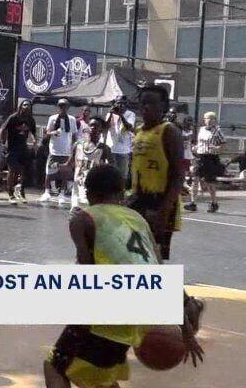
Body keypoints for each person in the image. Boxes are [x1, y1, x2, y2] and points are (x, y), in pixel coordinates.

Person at [43, 164, 204, 388]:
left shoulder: (83, 218)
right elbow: (159, 274)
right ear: (122, 194)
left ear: (88, 194)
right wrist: (186, 329)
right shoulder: (139, 221)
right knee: (100, 378)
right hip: (138, 313)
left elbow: (86, 273)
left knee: (55, 366)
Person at [128, 84, 185, 261]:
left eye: (151, 103)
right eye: (142, 103)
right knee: (135, 254)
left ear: (164, 107)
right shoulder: (138, 131)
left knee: (154, 257)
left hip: (160, 201)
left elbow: (178, 175)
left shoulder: (169, 131)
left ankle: (171, 289)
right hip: (138, 200)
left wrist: (164, 210)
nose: (146, 107)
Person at [39, 98, 78, 207]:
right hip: (54, 150)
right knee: (50, 171)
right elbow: (46, 133)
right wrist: (53, 133)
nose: (63, 108)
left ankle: (62, 193)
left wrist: (74, 149)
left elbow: (74, 135)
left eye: (65, 106)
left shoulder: (71, 119)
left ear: (68, 107)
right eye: (61, 106)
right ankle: (47, 192)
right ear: (58, 107)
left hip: (66, 151)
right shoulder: (52, 118)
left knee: (65, 173)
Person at [69, 117, 111, 209]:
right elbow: (69, 164)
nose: (92, 128)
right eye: (91, 125)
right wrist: (57, 166)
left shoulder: (104, 149)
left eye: (96, 126)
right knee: (75, 218)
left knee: (89, 219)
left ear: (101, 130)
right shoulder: (77, 145)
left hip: (92, 190)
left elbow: (111, 170)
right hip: (78, 188)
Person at [188, 112, 226, 213]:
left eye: (211, 119)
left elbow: (223, 147)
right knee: (195, 179)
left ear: (215, 120)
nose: (209, 121)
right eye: (207, 119)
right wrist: (195, 148)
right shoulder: (201, 130)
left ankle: (214, 203)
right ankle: (193, 203)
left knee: (210, 183)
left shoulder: (217, 131)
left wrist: (217, 148)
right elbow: (199, 143)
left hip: (210, 158)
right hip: (200, 157)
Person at [0, 99, 36, 204]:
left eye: (28, 106)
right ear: (21, 107)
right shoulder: (14, 117)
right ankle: (10, 193)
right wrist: (3, 142)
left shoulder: (30, 119)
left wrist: (34, 143)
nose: (27, 107)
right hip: (12, 147)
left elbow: (33, 132)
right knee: (12, 170)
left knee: (23, 170)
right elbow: (3, 129)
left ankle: (21, 191)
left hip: (23, 147)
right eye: (25, 105)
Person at [105, 96, 136, 185]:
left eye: (122, 103)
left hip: (124, 150)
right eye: (118, 103)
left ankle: (120, 195)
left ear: (126, 104)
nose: (120, 105)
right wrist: (111, 114)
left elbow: (129, 127)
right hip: (111, 148)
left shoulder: (130, 114)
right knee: (109, 174)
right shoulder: (110, 114)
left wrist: (120, 115)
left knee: (122, 176)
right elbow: (105, 127)